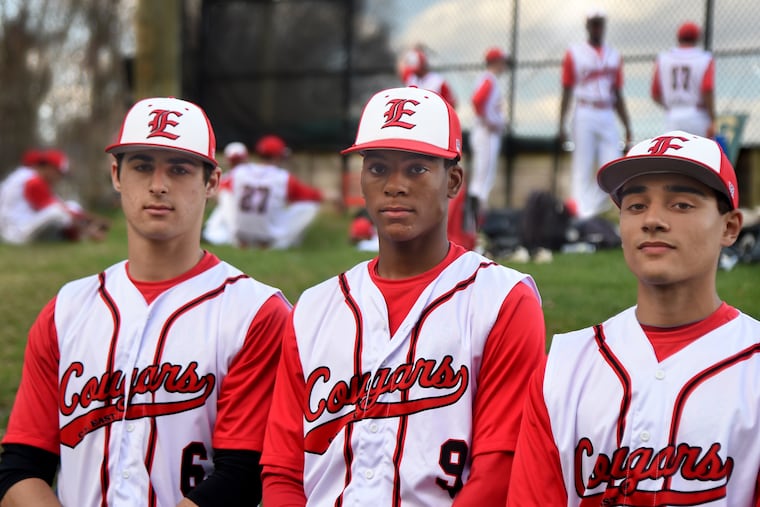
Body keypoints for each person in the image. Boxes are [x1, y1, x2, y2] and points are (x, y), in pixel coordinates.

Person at [260, 86, 546, 506]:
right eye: (377, 168)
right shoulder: (314, 309)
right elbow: (283, 470)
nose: (394, 185)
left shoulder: (503, 300)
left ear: (453, 181)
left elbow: (500, 466)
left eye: (416, 169)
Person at [0, 97, 291, 506]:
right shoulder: (66, 311)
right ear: (117, 175)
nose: (158, 184)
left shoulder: (256, 313)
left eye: (179, 168)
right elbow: (20, 468)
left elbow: (243, 476)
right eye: (142, 166)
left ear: (212, 182)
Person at [507, 130, 760, 506]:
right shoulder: (562, 369)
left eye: (681, 205)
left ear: (730, 227)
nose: (653, 220)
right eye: (636, 206)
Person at [558, 9, 632, 220]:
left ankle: (592, 210)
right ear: (587, 26)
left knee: (614, 166)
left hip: (607, 112)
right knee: (582, 166)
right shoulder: (574, 53)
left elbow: (617, 93)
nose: (597, 28)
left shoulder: (614, 55)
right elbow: (567, 89)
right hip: (584, 111)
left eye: (600, 24)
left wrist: (627, 126)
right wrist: (561, 124)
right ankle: (582, 217)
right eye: (594, 24)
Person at [205, 134, 323, 249]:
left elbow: (219, 190)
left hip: (239, 233)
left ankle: (227, 237)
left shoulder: (238, 172)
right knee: (310, 206)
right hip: (269, 237)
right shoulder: (283, 177)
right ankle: (279, 242)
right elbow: (314, 196)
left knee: (226, 196)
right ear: (278, 156)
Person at [0, 148, 109, 244]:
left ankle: (72, 235)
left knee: (71, 206)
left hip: (19, 227)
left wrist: (90, 219)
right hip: (15, 234)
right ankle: (82, 235)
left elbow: (61, 206)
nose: (59, 178)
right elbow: (56, 209)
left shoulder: (27, 174)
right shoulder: (32, 180)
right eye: (58, 173)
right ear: (50, 168)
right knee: (57, 212)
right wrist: (89, 229)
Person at [468, 46, 511, 224]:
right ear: (495, 62)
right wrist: (488, 121)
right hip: (485, 133)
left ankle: (476, 219)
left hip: (487, 133)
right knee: (481, 179)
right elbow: (477, 101)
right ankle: (473, 219)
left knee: (484, 178)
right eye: (502, 61)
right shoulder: (488, 79)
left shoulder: (489, 80)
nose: (504, 65)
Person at [651, 21, 716, 138]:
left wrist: (670, 106)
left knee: (673, 154)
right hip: (697, 114)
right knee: (699, 154)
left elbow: (655, 94)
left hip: (673, 115)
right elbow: (707, 88)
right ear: (697, 38)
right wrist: (713, 118)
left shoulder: (663, 58)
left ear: (678, 37)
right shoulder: (705, 58)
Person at [202, 141, 248, 245]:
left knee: (226, 200)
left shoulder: (233, 176)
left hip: (238, 217)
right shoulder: (249, 173)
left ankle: (209, 233)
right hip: (252, 217)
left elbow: (218, 194)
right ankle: (209, 232)